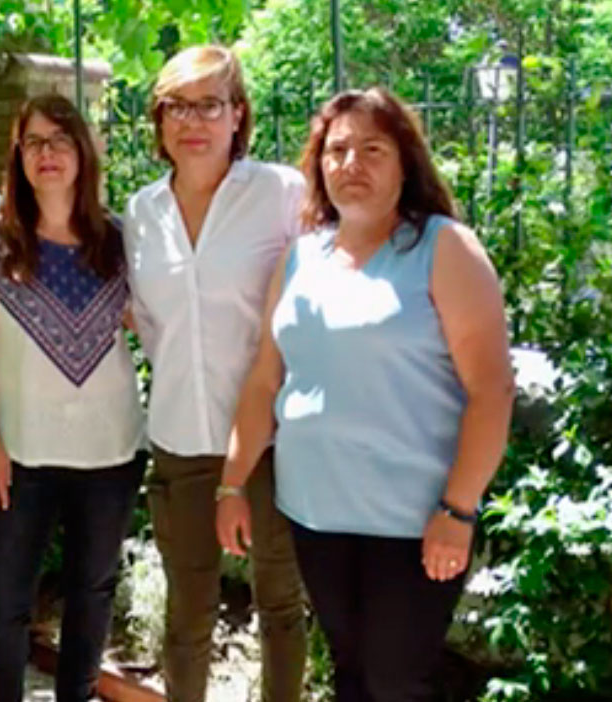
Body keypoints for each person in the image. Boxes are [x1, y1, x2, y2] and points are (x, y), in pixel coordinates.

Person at [216, 87, 514, 702]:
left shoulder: (444, 249)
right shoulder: (300, 259)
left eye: (373, 149)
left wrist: (459, 510)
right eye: (337, 150)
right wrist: (231, 484)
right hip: (315, 514)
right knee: (350, 671)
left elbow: (492, 390)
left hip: (413, 523)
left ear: (405, 164)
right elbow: (266, 379)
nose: (351, 164)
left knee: (395, 680)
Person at [122, 45, 307, 702]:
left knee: (279, 603)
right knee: (187, 612)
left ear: (238, 115)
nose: (191, 121)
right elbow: (144, 321)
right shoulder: (141, 213)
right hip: (179, 439)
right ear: (158, 120)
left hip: (269, 439)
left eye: (209, 105)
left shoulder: (281, 194)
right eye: (176, 106)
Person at [0, 94, 145, 702]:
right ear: (18, 157)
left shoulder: (119, 242)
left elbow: (156, 325)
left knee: (93, 591)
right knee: (5, 600)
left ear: (83, 153)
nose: (47, 154)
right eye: (33, 142)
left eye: (60, 140)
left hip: (111, 449)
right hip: (19, 453)